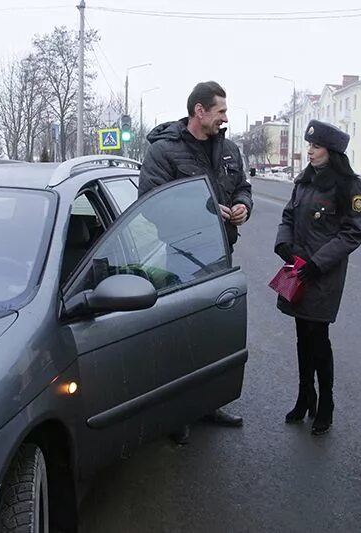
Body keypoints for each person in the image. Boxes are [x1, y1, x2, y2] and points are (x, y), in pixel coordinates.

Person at [139, 80, 252, 444]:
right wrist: (204, 210)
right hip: (182, 257)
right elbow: (151, 202)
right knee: (181, 337)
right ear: (199, 111)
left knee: (213, 335)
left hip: (221, 255)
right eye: (221, 111)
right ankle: (177, 414)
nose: (225, 118)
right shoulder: (164, 151)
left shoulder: (229, 149)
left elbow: (242, 186)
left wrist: (243, 205)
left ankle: (208, 404)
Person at [274, 120, 361, 435]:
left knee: (318, 337)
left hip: (322, 273)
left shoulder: (348, 185)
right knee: (302, 335)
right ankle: (305, 396)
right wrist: (283, 243)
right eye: (309, 146)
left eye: (316, 146)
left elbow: (353, 232)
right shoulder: (304, 181)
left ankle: (326, 402)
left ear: (332, 151)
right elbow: (288, 216)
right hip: (298, 269)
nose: (310, 151)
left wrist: (318, 263)